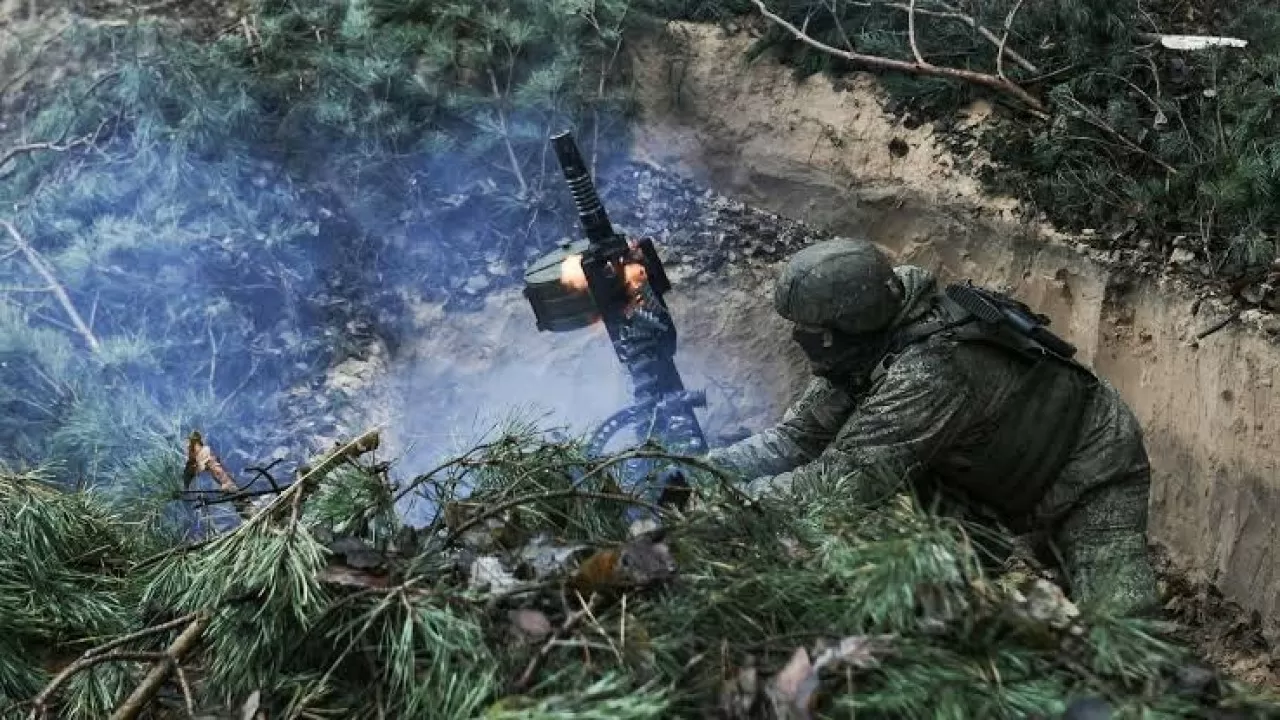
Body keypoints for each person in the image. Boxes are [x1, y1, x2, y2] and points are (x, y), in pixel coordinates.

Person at [702, 237, 1160, 615]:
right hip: (982, 477)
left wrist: (715, 505)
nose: (801, 341)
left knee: (1125, 630)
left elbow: (839, 484)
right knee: (942, 600)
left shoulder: (930, 373)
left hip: (1091, 465)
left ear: (847, 325)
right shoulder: (874, 340)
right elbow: (797, 438)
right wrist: (694, 471)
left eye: (811, 332)